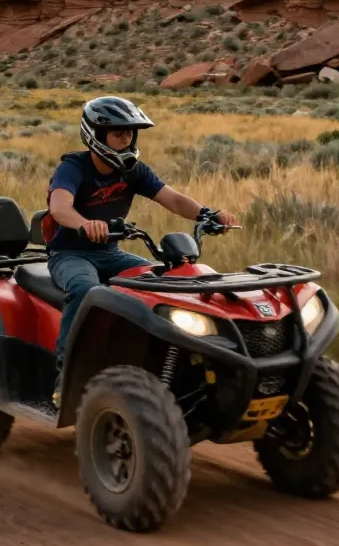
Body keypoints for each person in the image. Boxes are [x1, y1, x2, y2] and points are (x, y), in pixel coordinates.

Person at [44, 96, 237, 405]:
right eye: (119, 133)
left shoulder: (133, 170)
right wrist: (84, 224)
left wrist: (207, 214)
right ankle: (65, 375)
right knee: (85, 289)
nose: (126, 138)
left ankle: (162, 364)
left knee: (162, 282)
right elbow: (59, 207)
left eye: (130, 133)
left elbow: (172, 198)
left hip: (111, 253)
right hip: (70, 255)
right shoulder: (73, 167)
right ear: (96, 133)